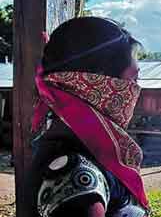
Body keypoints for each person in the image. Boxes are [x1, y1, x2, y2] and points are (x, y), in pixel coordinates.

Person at [28, 17, 149, 217]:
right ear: (98, 82)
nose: (136, 90)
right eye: (133, 79)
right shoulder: (75, 175)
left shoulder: (82, 147)